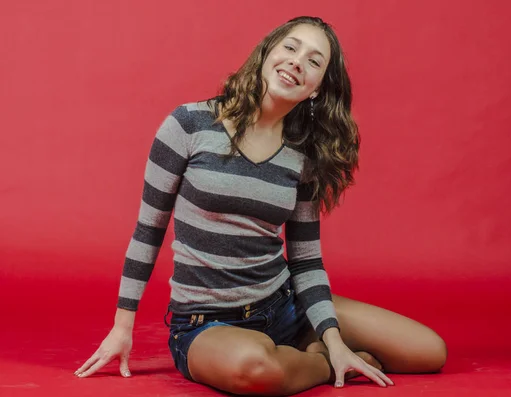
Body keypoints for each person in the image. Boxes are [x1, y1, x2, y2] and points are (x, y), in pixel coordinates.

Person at [74, 16, 447, 396]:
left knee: (429, 352)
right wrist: (123, 327)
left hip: (284, 306)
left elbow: (305, 260)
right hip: (205, 325)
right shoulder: (188, 125)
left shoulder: (303, 157)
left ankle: (315, 351)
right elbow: (148, 230)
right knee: (254, 369)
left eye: (314, 61)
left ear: (316, 89)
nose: (297, 61)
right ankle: (320, 364)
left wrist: (334, 338)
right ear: (267, 52)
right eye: (290, 47)